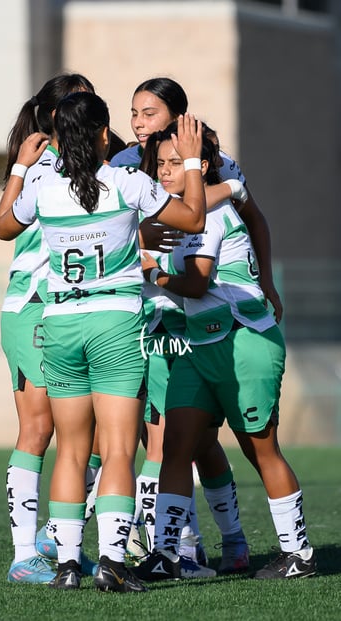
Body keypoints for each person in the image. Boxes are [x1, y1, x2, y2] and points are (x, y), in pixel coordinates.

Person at [0, 92, 207, 592]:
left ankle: (68, 563)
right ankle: (112, 560)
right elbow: (193, 218)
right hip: (114, 323)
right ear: (103, 135)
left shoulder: (44, 190)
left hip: (61, 324)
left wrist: (21, 170)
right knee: (115, 450)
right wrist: (194, 161)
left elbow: (5, 226)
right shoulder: (126, 181)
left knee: (69, 449)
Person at [133, 121, 316, 582]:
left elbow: (194, 284)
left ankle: (299, 554)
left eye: (177, 163)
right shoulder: (183, 207)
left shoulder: (207, 209)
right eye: (161, 165)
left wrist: (152, 273)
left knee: (261, 450)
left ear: (201, 163)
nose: (167, 173)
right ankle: (169, 554)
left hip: (243, 340)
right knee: (176, 446)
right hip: (199, 342)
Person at [110, 77, 254, 574]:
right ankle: (180, 545)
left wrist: (226, 188)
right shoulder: (126, 165)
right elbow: (136, 222)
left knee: (195, 441)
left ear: (177, 117)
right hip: (152, 316)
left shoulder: (214, 161)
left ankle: (219, 541)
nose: (137, 122)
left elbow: (243, 212)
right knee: (171, 439)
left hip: (197, 317)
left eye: (148, 113)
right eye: (134, 113)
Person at [0, 73, 102, 585]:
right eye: (82, 97)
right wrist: (21, 165)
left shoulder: (96, 159)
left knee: (103, 431)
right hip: (35, 306)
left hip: (78, 310)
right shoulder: (41, 164)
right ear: (60, 112)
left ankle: (56, 539)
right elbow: (5, 227)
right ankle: (25, 555)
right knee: (41, 429)